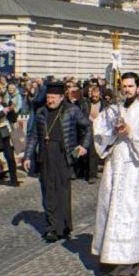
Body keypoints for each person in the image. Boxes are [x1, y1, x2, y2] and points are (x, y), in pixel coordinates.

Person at [91, 72, 139, 276]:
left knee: (130, 214)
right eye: (124, 86)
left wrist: (130, 132)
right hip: (114, 166)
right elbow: (99, 133)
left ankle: (128, 262)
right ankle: (109, 259)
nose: (127, 89)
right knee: (110, 210)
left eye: (131, 86)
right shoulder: (112, 110)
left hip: (134, 169)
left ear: (138, 88)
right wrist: (113, 131)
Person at [23, 82, 91, 242]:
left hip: (64, 156)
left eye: (53, 97)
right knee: (48, 192)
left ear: (61, 97)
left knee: (62, 192)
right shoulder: (41, 112)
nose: (50, 100)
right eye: (48, 97)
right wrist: (27, 156)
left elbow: (88, 127)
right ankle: (51, 228)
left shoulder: (72, 110)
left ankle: (64, 226)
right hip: (45, 156)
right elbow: (34, 136)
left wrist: (84, 146)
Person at [79, 85, 106, 184]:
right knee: (84, 151)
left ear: (100, 95)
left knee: (94, 153)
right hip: (87, 128)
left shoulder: (104, 104)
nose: (94, 98)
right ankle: (83, 171)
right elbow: (82, 114)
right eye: (93, 96)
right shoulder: (86, 102)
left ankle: (92, 175)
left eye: (96, 96)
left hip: (98, 130)